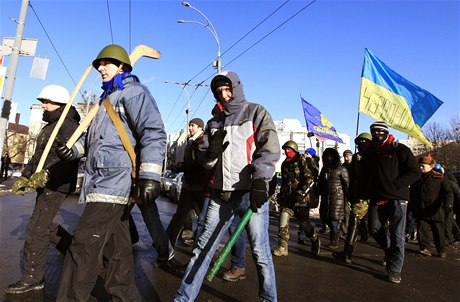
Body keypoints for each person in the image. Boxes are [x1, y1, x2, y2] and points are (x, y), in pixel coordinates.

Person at [56, 44, 166, 301]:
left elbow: (153, 132)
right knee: (118, 251)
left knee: (83, 246)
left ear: (122, 66)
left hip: (112, 182)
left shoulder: (134, 92)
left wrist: (151, 176)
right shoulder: (104, 100)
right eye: (99, 64)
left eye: (106, 63)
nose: (101, 68)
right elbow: (96, 142)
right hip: (101, 182)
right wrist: (73, 151)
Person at [175, 71, 280, 301]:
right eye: (219, 91)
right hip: (220, 196)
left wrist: (261, 180)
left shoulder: (256, 112)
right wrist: (209, 153)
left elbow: (269, 148)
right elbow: (208, 163)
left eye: (227, 89)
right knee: (202, 249)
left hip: (251, 195)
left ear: (237, 87)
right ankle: (183, 298)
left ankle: (269, 299)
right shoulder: (214, 122)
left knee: (261, 253)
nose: (224, 95)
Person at [5, 85, 79, 294]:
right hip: (44, 184)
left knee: (36, 229)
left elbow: (69, 159)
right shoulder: (49, 127)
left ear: (60, 104)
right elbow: (39, 157)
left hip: (56, 185)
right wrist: (25, 176)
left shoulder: (68, 126)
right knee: (44, 227)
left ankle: (33, 278)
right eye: (43, 101)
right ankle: (75, 251)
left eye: (47, 101)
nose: (44, 105)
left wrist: (48, 175)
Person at [362, 121, 420, 284]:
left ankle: (395, 269)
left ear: (386, 132)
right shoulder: (371, 152)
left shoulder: (399, 149)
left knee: (397, 234)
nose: (377, 134)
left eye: (380, 131)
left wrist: (396, 185)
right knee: (373, 227)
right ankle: (389, 251)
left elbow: (415, 172)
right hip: (377, 197)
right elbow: (365, 174)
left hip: (397, 198)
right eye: (374, 132)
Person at [272, 140, 320, 257]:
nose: (286, 151)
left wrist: (301, 193)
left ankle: (314, 239)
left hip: (301, 200)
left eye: (289, 149)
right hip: (288, 199)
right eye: (285, 149)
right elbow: (284, 182)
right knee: (283, 221)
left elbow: (309, 179)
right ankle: (283, 247)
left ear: (294, 150)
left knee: (304, 224)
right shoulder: (285, 164)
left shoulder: (302, 160)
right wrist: (281, 196)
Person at [167, 118, 207, 249]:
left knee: (204, 220)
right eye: (189, 125)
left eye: (193, 125)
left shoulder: (201, 141)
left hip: (199, 187)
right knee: (181, 216)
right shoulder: (192, 141)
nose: (190, 128)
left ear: (201, 128)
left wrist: (181, 166)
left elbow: (200, 164)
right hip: (189, 186)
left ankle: (201, 247)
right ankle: (166, 244)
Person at [333, 132, 372, 264]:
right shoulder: (356, 158)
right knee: (353, 222)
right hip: (360, 196)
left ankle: (390, 253)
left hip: (373, 195)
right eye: (359, 142)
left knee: (377, 227)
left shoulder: (375, 156)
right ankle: (347, 253)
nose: (361, 145)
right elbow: (353, 177)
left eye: (364, 142)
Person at [411, 156, 453, 258]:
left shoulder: (439, 178)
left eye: (423, 166)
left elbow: (448, 193)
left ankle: (441, 249)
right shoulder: (416, 178)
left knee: (438, 230)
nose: (421, 168)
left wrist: (448, 204)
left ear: (430, 166)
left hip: (436, 209)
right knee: (422, 229)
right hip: (421, 208)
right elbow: (412, 192)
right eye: (419, 166)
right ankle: (424, 248)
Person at [317, 147, 349, 249]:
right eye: (327, 156)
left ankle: (334, 241)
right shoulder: (325, 169)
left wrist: (348, 198)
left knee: (334, 220)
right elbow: (320, 182)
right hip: (326, 198)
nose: (329, 158)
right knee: (325, 218)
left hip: (337, 199)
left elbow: (347, 184)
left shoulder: (341, 169)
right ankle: (340, 232)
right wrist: (317, 192)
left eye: (331, 156)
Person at [341, 149, 353, 237]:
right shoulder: (343, 166)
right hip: (345, 190)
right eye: (345, 156)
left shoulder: (355, 165)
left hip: (353, 190)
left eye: (348, 155)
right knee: (346, 211)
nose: (346, 157)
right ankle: (346, 229)